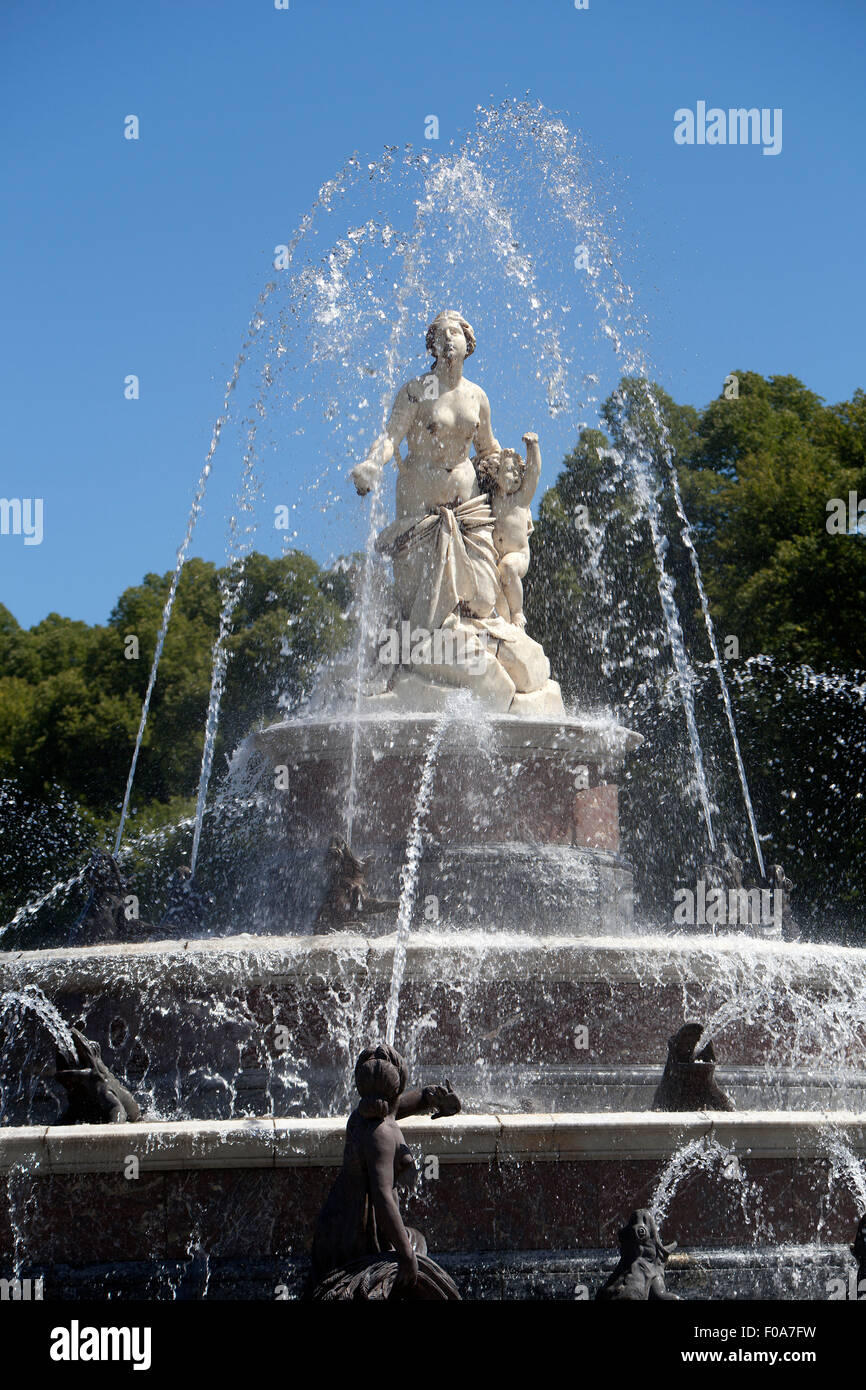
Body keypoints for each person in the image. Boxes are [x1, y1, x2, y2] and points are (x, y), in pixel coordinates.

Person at [308, 1042, 461, 1299]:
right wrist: (406, 1255)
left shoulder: (362, 1116)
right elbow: (383, 1197)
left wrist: (430, 1098)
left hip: (338, 1225)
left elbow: (397, 1107)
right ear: (399, 1085)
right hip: (362, 1236)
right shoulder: (384, 1135)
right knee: (416, 1245)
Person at [477, 431, 542, 628]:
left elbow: (534, 472)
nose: (515, 475)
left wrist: (533, 447)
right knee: (491, 580)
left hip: (518, 556)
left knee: (508, 568)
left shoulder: (521, 499)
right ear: (496, 475)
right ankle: (502, 619)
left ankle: (518, 614)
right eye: (509, 470)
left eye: (517, 472)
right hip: (496, 558)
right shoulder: (492, 498)